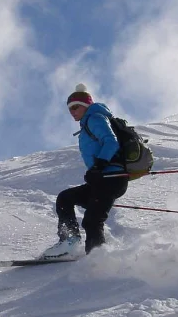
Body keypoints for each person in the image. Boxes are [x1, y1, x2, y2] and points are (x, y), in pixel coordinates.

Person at [42, 84, 129, 258]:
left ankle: (98, 261)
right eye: (69, 109)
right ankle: (70, 241)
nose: (72, 111)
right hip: (103, 179)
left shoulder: (95, 118)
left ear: (86, 106)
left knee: (92, 221)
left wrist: (99, 166)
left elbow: (111, 142)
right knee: (65, 198)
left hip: (111, 177)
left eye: (75, 107)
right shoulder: (88, 123)